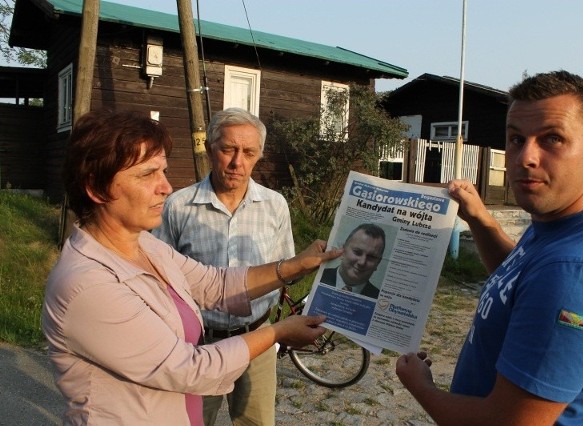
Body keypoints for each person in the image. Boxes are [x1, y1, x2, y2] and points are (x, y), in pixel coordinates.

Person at [41, 109, 342, 425]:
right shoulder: (87, 285)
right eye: (147, 174)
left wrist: (295, 266)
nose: (166, 187)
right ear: (97, 187)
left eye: (164, 171)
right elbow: (190, 368)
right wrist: (280, 332)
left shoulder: (145, 245)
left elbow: (214, 284)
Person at [396, 70, 583, 425]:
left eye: (552, 139)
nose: (525, 156)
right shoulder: (562, 223)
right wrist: (480, 219)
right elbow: (519, 275)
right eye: (515, 138)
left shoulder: (578, 275)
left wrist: (422, 388)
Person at [153, 107, 292, 426]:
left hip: (257, 339)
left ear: (259, 155)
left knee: (256, 422)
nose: (237, 162)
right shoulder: (178, 206)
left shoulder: (275, 206)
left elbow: (283, 270)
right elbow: (160, 279)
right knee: (193, 422)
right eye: (228, 149)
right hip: (200, 346)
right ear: (210, 148)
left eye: (248, 152)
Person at [320, 223, 385, 299]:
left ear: (378, 263)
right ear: (343, 251)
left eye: (371, 257)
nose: (362, 262)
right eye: (357, 252)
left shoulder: (379, 298)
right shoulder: (318, 276)